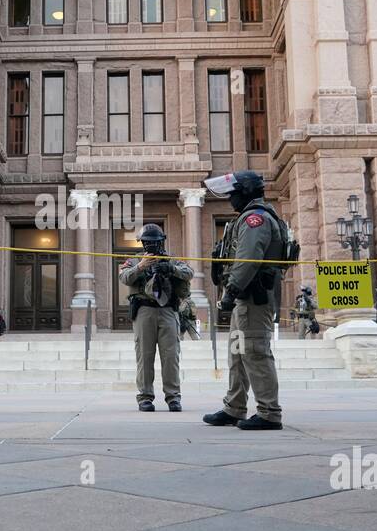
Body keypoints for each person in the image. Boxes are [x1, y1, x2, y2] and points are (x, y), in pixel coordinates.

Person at [202, 171, 293, 431]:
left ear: (246, 192)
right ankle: (234, 407)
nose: (230, 199)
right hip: (246, 298)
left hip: (254, 297)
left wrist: (230, 291)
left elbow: (248, 259)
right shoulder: (251, 217)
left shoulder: (256, 219)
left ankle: (269, 412)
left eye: (233, 193)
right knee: (237, 353)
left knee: (255, 352)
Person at [118, 223, 193, 412]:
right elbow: (125, 278)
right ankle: (145, 397)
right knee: (144, 355)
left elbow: (189, 272)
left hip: (168, 310)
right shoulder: (134, 260)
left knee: (170, 357)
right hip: (144, 310)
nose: (150, 246)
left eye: (153, 243)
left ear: (161, 242)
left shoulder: (171, 260)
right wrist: (141, 266)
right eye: (146, 243)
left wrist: (170, 268)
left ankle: (173, 397)